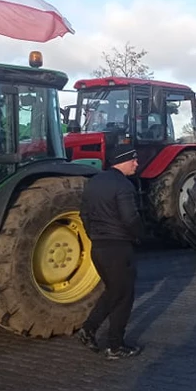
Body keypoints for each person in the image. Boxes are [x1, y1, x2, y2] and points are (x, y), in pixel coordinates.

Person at [76, 146, 144, 359]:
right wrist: (139, 236)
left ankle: (89, 330)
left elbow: (84, 214)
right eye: (133, 160)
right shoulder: (123, 186)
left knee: (113, 291)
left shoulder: (94, 182)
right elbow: (130, 218)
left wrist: (94, 235)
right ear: (123, 161)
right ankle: (115, 345)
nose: (136, 164)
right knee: (124, 296)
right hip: (119, 247)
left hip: (99, 247)